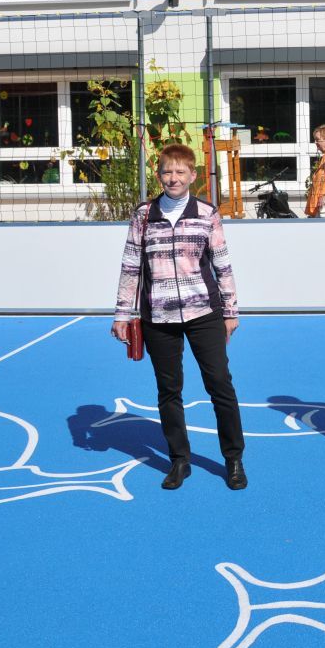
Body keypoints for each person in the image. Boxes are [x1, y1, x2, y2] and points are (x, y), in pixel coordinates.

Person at [112, 143, 247, 491]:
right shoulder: (143, 215)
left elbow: (223, 264)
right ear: (158, 174)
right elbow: (130, 267)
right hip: (158, 317)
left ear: (192, 176)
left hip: (205, 313)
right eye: (167, 172)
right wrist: (122, 314)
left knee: (220, 383)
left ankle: (233, 459)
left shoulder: (207, 213)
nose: (173, 178)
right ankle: (179, 459)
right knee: (168, 391)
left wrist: (230, 310)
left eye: (180, 172)